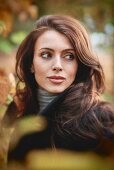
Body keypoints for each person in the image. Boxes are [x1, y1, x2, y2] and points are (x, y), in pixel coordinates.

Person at [4, 15, 114, 161]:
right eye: (46, 54)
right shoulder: (17, 110)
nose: (57, 65)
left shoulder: (103, 119)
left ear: (79, 65)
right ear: (31, 63)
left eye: (69, 56)